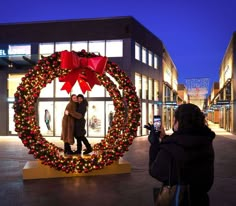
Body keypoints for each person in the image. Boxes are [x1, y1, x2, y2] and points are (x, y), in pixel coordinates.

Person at [148, 103, 215, 206]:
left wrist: (155, 144)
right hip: (200, 200)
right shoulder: (205, 141)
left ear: (179, 121)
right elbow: (184, 145)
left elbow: (155, 171)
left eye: (175, 118)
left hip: (177, 200)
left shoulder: (169, 147)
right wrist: (165, 138)